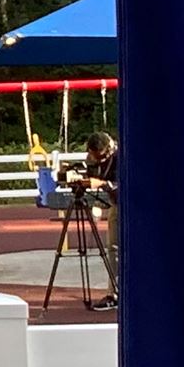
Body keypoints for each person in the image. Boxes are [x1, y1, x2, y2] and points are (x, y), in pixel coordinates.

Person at [65, 131, 119, 311]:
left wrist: (101, 183)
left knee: (117, 249)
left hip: (128, 202)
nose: (98, 161)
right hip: (115, 204)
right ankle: (115, 292)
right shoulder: (92, 158)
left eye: (101, 157)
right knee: (113, 248)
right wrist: (76, 173)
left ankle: (120, 292)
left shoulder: (122, 157)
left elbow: (121, 183)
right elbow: (87, 170)